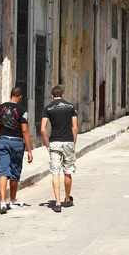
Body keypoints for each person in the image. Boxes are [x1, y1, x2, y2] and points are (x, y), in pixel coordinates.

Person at [0, 86, 33, 214]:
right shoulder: (22, 110)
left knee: (2, 171)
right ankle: (12, 199)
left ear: (11, 95)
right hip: (16, 143)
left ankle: (2, 202)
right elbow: (25, 130)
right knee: (15, 171)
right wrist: (29, 150)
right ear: (20, 97)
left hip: (3, 141)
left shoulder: (0, 108)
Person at [40, 85, 78, 213]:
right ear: (62, 95)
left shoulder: (48, 108)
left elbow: (42, 129)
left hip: (54, 142)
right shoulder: (71, 107)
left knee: (55, 172)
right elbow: (75, 127)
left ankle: (57, 202)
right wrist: (73, 142)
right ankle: (67, 198)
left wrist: (46, 143)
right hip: (68, 141)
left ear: (52, 96)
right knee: (67, 171)